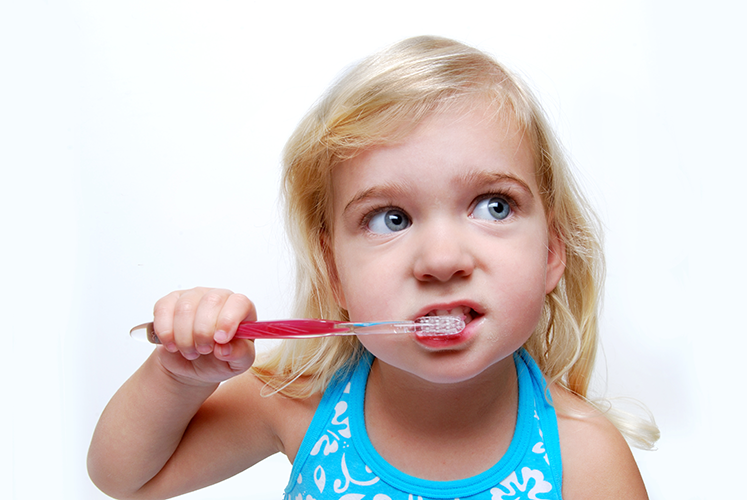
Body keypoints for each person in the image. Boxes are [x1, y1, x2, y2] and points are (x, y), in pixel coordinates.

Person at [88, 36, 659, 499]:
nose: (441, 260)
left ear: (553, 252)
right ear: (333, 272)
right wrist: (176, 378)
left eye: (493, 206)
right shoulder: (303, 401)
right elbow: (126, 480)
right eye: (390, 218)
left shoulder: (583, 457)